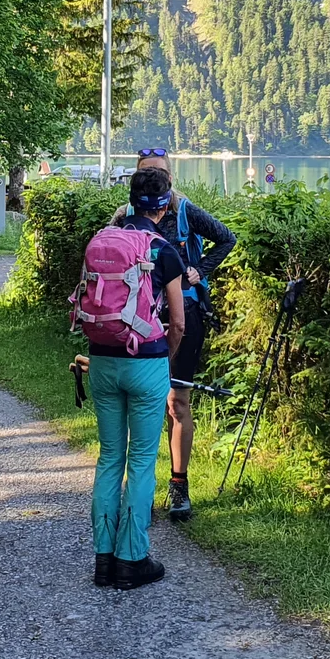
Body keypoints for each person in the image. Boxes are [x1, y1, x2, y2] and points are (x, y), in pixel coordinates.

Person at [109, 148, 235, 521]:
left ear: (171, 179)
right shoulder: (124, 217)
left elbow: (227, 238)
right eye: (146, 174)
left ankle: (179, 487)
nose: (154, 180)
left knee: (176, 402)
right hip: (137, 320)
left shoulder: (184, 210)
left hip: (186, 314)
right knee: (141, 401)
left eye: (160, 174)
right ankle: (141, 487)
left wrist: (198, 269)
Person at [84, 167, 186, 591]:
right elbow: (178, 323)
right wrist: (166, 359)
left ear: (129, 201)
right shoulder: (163, 251)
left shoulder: (103, 242)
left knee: (110, 457)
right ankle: (132, 559)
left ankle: (103, 561)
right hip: (146, 364)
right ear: (164, 208)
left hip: (102, 360)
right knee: (142, 460)